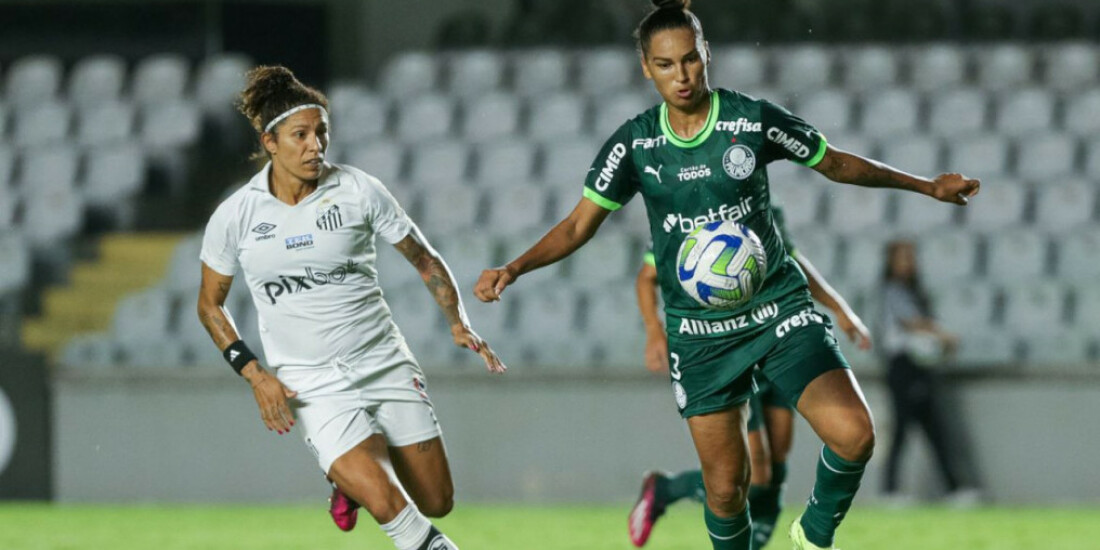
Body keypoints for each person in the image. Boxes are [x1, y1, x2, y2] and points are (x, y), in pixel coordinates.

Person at [474, 1, 979, 548]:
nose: (682, 75)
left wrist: (926, 185)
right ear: (646, 67)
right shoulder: (635, 145)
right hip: (700, 339)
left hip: (778, 311)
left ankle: (813, 535)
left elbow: (833, 162)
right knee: (726, 490)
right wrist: (515, 267)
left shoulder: (750, 120)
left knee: (855, 435)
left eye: (690, 60)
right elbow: (577, 227)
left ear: (706, 54)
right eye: (666, 65)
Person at [196, 65, 506, 550]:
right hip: (309, 380)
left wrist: (458, 322)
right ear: (270, 141)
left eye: (322, 133)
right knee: (392, 507)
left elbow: (424, 259)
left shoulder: (359, 190)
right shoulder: (235, 215)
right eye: (301, 135)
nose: (315, 145)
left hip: (383, 361)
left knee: (437, 498)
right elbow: (210, 305)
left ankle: (349, 481)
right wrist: (255, 374)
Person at [628, 205, 873, 549]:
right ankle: (667, 488)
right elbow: (646, 276)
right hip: (730, 349)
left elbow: (793, 261)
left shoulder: (764, 210)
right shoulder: (690, 221)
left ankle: (789, 540)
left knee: (777, 456)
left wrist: (839, 309)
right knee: (755, 473)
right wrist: (655, 332)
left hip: (779, 335)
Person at [879, 239, 979, 505]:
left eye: (910, 258)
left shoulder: (914, 292)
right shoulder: (891, 291)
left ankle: (954, 489)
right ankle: (890, 491)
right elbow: (911, 323)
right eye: (902, 258)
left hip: (919, 366)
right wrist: (942, 334)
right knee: (902, 428)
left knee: (935, 428)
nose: (908, 263)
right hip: (903, 365)